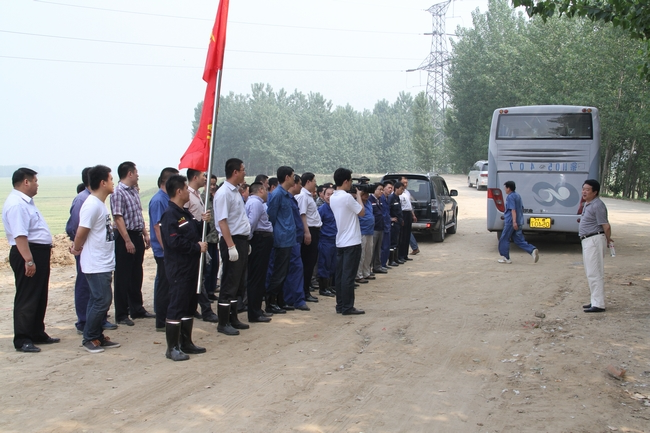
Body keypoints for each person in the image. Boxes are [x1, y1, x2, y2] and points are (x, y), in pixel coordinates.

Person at [2, 168, 59, 353]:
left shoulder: (26, 202)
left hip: (38, 252)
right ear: (26, 182)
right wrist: (28, 260)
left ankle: (36, 332)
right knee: (27, 296)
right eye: (35, 181)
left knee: (39, 294)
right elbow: (20, 236)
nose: (37, 184)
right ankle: (23, 338)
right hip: (27, 252)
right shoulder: (17, 204)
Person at [70, 165, 121, 353]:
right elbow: (81, 231)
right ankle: (89, 337)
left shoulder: (99, 204)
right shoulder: (91, 205)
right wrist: (76, 248)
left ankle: (97, 336)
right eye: (110, 179)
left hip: (104, 260)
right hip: (95, 262)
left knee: (97, 300)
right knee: (102, 300)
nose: (113, 182)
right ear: (102, 182)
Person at [159, 175, 209, 361]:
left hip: (191, 267)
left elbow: (194, 231)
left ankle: (186, 342)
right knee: (177, 305)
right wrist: (196, 247)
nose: (188, 192)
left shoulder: (184, 213)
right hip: (179, 268)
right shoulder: (170, 215)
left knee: (189, 305)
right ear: (178, 191)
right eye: (186, 189)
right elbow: (174, 242)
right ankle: (172, 347)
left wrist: (203, 222)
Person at [110, 161, 153, 326]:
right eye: (136, 172)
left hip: (137, 234)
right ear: (129, 173)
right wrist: (127, 240)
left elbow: (138, 215)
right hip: (124, 237)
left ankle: (137, 308)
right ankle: (121, 313)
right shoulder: (118, 192)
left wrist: (145, 234)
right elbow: (118, 217)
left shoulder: (134, 191)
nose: (137, 175)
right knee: (123, 276)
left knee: (136, 273)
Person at [213, 158, 251, 336]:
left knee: (238, 282)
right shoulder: (223, 193)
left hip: (241, 240)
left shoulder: (236, 191)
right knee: (229, 282)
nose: (245, 172)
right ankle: (223, 322)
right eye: (243, 169)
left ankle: (233, 317)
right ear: (235, 172)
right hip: (231, 240)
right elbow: (222, 222)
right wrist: (231, 246)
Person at [330, 168, 366, 315]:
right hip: (352, 241)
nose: (351, 183)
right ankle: (348, 306)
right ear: (345, 181)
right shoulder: (347, 198)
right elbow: (361, 212)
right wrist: (359, 196)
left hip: (340, 241)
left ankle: (340, 305)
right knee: (349, 276)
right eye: (350, 181)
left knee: (340, 275)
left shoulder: (333, 197)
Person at [185, 168, 219, 323]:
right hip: (193, 242)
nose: (205, 178)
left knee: (199, 276)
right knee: (200, 277)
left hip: (201, 238)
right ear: (194, 177)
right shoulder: (187, 196)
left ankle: (192, 308)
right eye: (202, 176)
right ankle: (206, 310)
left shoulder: (197, 195)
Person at [148, 167, 179, 332]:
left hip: (169, 249)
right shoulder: (159, 200)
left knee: (169, 283)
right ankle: (161, 321)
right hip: (163, 251)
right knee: (164, 285)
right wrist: (167, 249)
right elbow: (157, 227)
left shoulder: (167, 198)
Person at [265, 166, 296, 314]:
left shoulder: (285, 194)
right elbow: (271, 216)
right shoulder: (277, 194)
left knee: (284, 272)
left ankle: (280, 301)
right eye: (293, 176)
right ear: (287, 177)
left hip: (288, 238)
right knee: (279, 272)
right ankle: (271, 302)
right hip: (281, 238)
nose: (294, 179)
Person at [579, 179, 612, 313]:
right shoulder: (588, 204)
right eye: (583, 189)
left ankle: (599, 304)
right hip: (587, 240)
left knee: (595, 271)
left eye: (587, 190)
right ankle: (594, 300)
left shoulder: (598, 205)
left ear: (595, 192)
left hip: (594, 239)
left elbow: (606, 226)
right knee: (590, 271)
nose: (584, 192)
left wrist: (608, 240)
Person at [245, 182, 273, 323]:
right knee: (257, 277)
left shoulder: (254, 202)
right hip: (259, 239)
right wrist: (249, 240)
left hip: (261, 239)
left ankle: (256, 309)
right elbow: (251, 223)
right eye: (266, 190)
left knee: (259, 276)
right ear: (261, 190)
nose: (267, 193)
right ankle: (254, 312)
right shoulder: (256, 203)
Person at [497, 181, 539, 264]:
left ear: (509, 188)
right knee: (518, 240)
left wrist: (514, 222)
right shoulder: (518, 196)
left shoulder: (510, 197)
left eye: (505, 187)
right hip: (519, 221)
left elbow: (513, 210)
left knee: (504, 238)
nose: (505, 189)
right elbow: (521, 208)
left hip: (511, 222)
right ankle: (532, 250)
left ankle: (506, 257)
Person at [296, 172, 322, 303]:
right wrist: (306, 232)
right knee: (307, 263)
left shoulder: (308, 196)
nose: (315, 183)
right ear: (308, 182)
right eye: (314, 181)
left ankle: (306, 289)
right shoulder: (303, 196)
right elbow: (302, 215)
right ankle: (304, 291)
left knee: (310, 262)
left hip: (314, 230)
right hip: (309, 230)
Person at [316, 186, 336, 297]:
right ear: (323, 196)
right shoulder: (322, 209)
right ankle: (323, 288)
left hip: (336, 240)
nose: (330, 197)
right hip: (325, 240)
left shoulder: (337, 208)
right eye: (328, 194)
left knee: (333, 264)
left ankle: (330, 286)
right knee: (324, 264)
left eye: (332, 194)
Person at [205, 174, 220, 301]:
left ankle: (211, 290)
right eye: (210, 184)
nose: (213, 187)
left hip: (215, 238)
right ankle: (205, 292)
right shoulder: (202, 199)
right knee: (207, 268)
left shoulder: (215, 198)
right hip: (207, 238)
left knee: (215, 265)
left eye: (214, 184)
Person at [355, 187, 375, 284]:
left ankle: (366, 272)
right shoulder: (357, 203)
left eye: (367, 193)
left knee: (368, 254)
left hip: (370, 231)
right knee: (361, 255)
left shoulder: (369, 203)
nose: (366, 195)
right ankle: (358, 275)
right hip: (361, 231)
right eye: (364, 193)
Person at [368, 183, 386, 274]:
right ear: (374, 190)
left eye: (382, 190)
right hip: (373, 228)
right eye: (380, 189)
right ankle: (368, 268)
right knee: (371, 249)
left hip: (380, 227)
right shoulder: (370, 200)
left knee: (378, 249)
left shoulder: (380, 200)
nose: (381, 191)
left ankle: (377, 266)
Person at [398, 176, 416, 262]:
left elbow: (409, 205)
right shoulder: (398, 193)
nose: (405, 184)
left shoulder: (407, 192)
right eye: (403, 183)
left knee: (407, 235)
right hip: (403, 213)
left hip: (408, 213)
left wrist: (413, 215)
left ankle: (405, 255)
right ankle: (400, 255)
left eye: (406, 182)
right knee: (402, 235)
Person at [388, 181, 404, 266]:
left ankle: (396, 258)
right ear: (396, 189)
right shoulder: (391, 198)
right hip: (393, 224)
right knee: (393, 242)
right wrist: (390, 219)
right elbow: (388, 210)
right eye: (401, 189)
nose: (402, 191)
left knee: (397, 241)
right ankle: (391, 260)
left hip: (398, 223)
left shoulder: (397, 198)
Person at [379, 181, 393, 271]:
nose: (390, 190)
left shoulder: (387, 198)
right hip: (383, 225)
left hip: (387, 225)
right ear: (384, 188)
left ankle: (384, 263)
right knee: (383, 246)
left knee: (387, 246)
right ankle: (381, 264)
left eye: (391, 188)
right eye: (389, 188)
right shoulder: (381, 199)